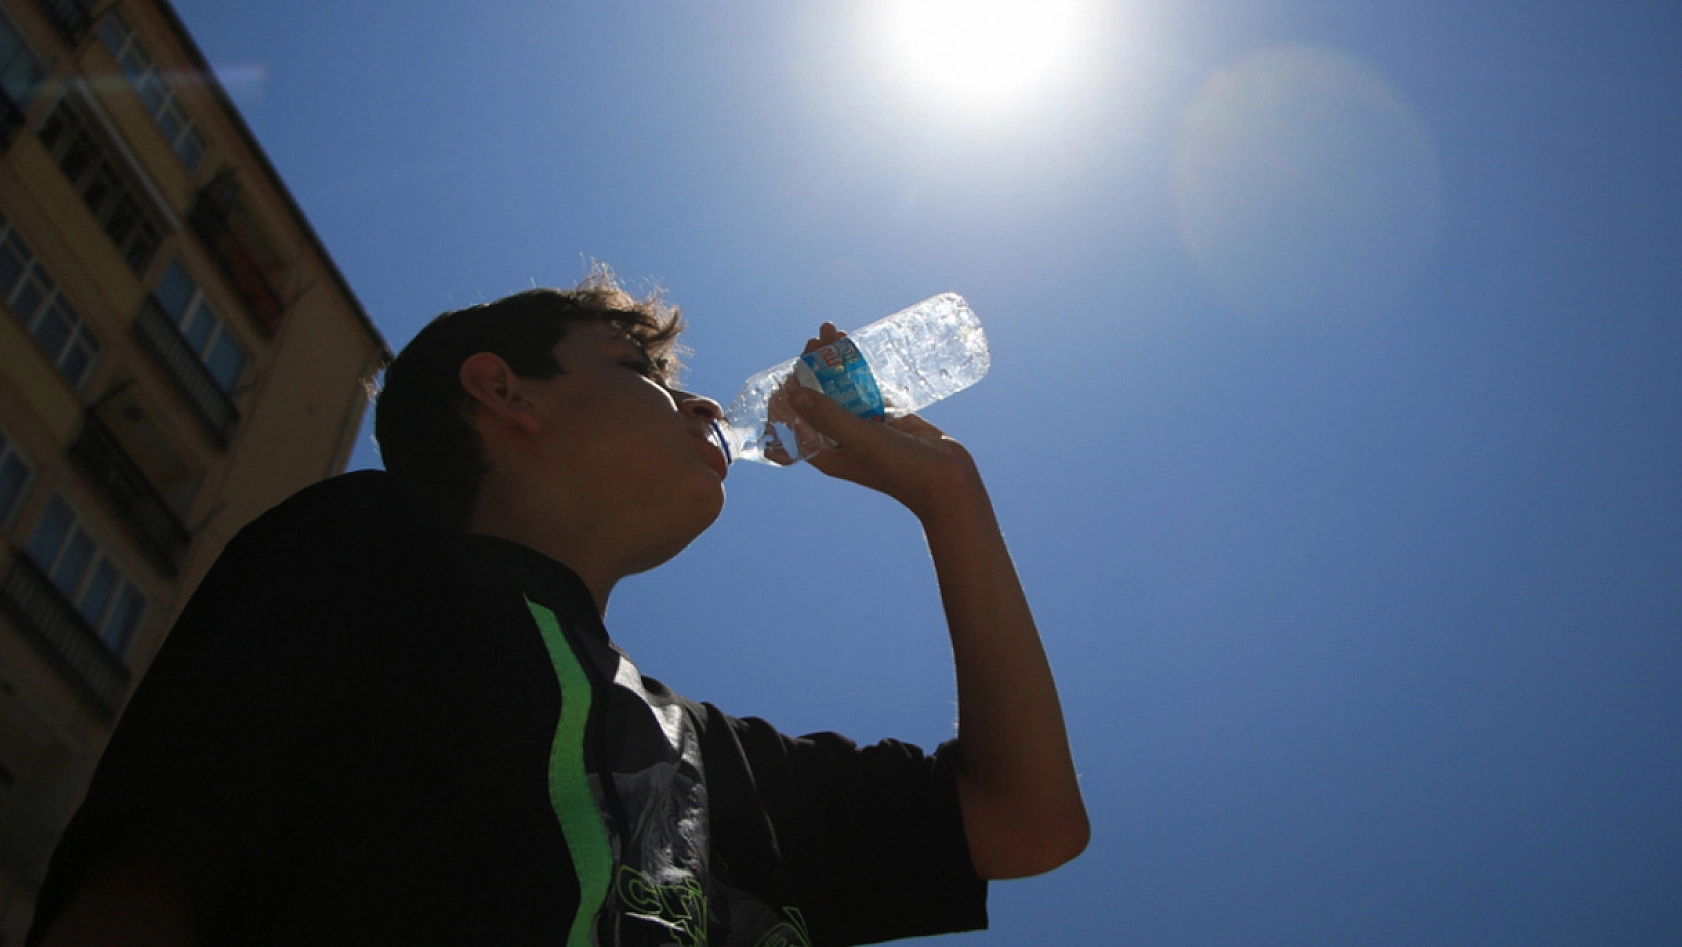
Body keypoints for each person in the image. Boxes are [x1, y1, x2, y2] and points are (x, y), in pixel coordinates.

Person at [28, 269, 1087, 946]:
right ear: (503, 391)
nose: (710, 406)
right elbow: (155, 867)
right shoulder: (378, 550)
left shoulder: (704, 760)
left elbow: (1026, 820)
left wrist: (950, 499)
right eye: (641, 371)